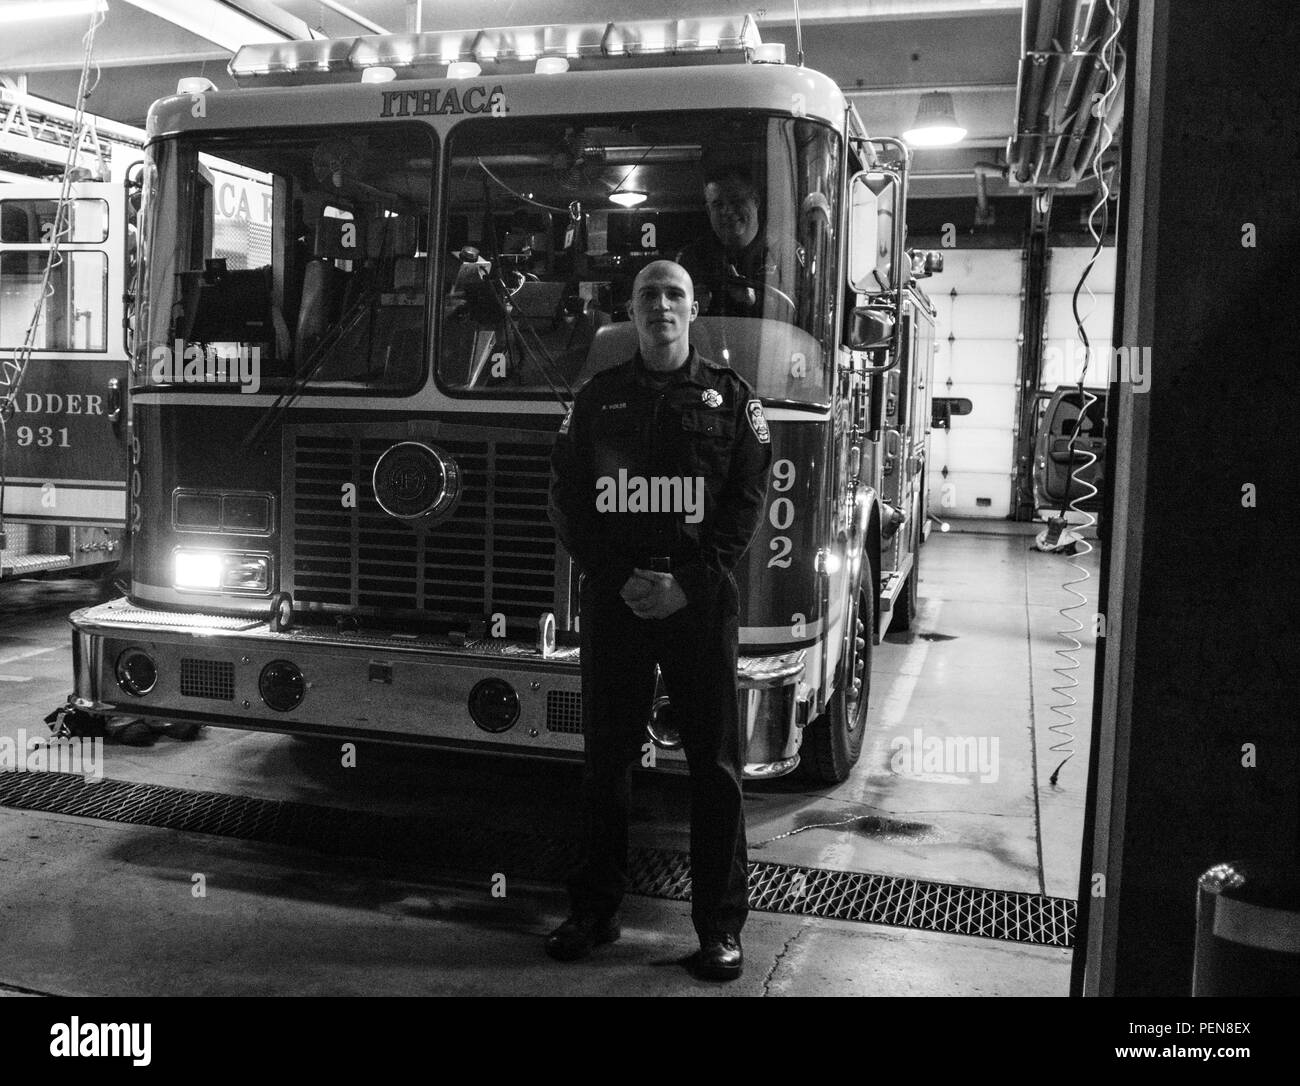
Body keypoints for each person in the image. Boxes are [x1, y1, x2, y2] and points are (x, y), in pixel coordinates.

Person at [546, 259, 772, 981]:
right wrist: (618, 579)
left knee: (713, 767)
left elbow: (746, 501)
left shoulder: (733, 400)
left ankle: (718, 929)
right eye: (650, 295)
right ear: (633, 311)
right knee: (605, 761)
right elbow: (569, 499)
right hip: (617, 602)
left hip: (698, 604)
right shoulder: (596, 401)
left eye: (675, 293)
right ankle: (593, 912)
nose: (663, 306)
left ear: (694, 307)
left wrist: (689, 583)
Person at [675, 169, 789, 319]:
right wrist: (689, 305)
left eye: (736, 200)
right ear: (709, 211)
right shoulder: (691, 259)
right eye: (717, 204)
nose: (727, 210)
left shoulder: (785, 254)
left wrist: (754, 301)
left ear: (755, 201)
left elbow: (799, 316)